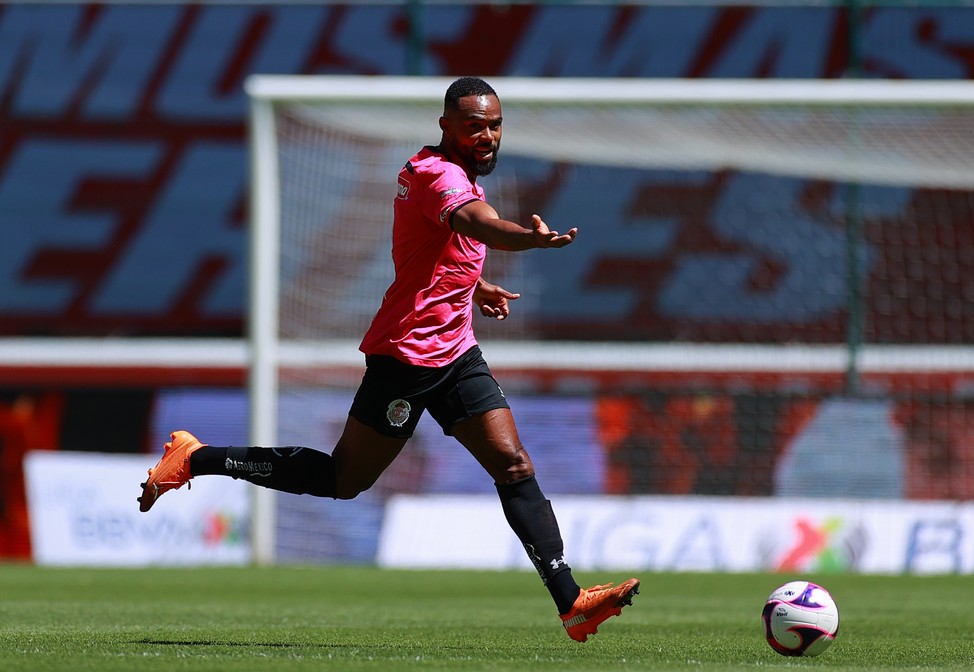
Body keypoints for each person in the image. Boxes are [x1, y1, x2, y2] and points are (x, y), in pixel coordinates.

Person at [138, 76, 639, 642]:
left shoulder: (450, 173)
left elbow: (431, 250)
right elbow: (476, 224)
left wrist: (475, 288)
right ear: (446, 126)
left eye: (495, 125)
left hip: (456, 353)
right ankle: (197, 458)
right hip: (407, 357)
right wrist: (527, 238)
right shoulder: (437, 176)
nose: (487, 136)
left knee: (514, 465)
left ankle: (572, 602)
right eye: (474, 126)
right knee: (343, 479)